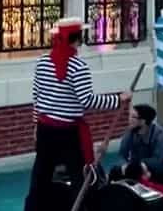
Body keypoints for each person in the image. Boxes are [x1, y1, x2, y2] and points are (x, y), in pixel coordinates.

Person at [24, 18, 132, 211]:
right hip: (68, 133)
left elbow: (37, 96)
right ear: (77, 39)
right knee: (80, 177)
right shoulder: (78, 67)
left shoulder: (42, 63)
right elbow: (88, 101)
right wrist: (119, 100)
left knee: (40, 175)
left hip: (44, 129)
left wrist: (35, 125)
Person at [119, 105, 163, 183]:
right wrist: (123, 165)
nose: (129, 119)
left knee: (160, 174)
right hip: (134, 167)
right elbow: (122, 154)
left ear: (143, 121)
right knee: (115, 171)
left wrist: (140, 165)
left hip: (152, 168)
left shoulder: (159, 133)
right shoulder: (130, 131)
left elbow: (157, 159)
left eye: (133, 117)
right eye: (130, 116)